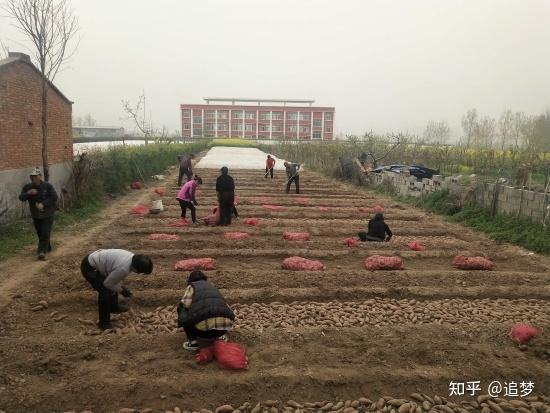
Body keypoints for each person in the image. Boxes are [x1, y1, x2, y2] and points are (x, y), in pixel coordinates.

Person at [80, 249, 153, 330]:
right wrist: (122, 291)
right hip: (90, 268)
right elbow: (108, 283)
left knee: (113, 286)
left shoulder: (132, 258)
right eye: (140, 272)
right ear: (135, 269)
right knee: (105, 291)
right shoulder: (123, 268)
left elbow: (115, 280)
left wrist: (120, 288)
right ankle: (104, 323)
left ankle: (113, 307)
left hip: (97, 262)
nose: (139, 273)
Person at [177, 270, 235, 351]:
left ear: (190, 280)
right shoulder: (212, 285)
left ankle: (193, 343)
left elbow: (185, 304)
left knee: (182, 307)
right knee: (220, 308)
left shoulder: (192, 286)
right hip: (223, 329)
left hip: (203, 332)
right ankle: (220, 337)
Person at [18, 167, 58, 260]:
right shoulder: (28, 187)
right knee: (40, 233)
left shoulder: (47, 186)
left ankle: (41, 252)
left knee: (45, 232)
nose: (33, 178)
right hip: (36, 214)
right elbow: (21, 197)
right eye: (31, 177)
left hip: (48, 214)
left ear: (40, 176)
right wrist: (28, 193)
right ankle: (47, 247)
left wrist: (43, 204)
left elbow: (54, 197)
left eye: (35, 176)